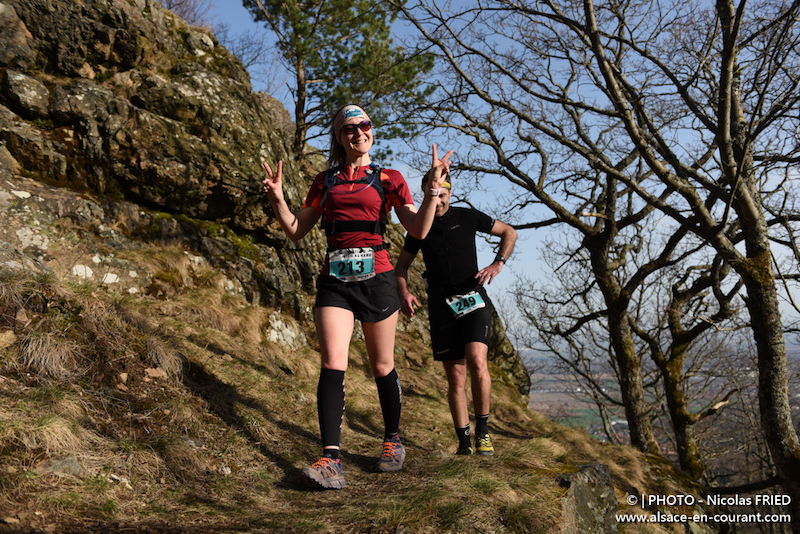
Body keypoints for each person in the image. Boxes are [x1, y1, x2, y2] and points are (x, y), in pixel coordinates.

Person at [261, 104, 450, 489]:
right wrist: (279, 198)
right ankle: (331, 459)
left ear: (371, 131)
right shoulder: (324, 181)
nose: (358, 132)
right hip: (335, 281)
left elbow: (418, 228)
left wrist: (432, 191)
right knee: (333, 361)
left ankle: (393, 441)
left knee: (382, 366)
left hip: (377, 279)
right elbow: (297, 230)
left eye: (364, 124)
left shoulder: (390, 178)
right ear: (339, 136)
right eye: (349, 128)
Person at [395, 171, 517, 456]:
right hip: (442, 306)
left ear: (450, 192)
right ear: (425, 194)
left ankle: (483, 433)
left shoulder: (468, 216)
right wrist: (405, 293)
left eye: (442, 195)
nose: (437, 201)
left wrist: (498, 263)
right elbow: (400, 267)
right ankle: (464, 443)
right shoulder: (418, 229)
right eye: (432, 195)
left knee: (477, 360)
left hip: (473, 298)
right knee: (456, 379)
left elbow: (509, 232)